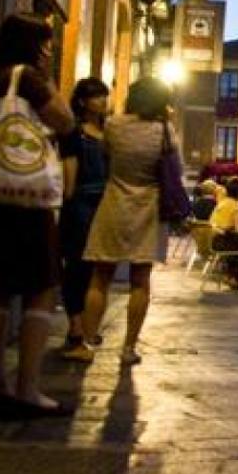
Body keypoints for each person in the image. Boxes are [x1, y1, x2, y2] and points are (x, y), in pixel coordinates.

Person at [0, 14, 76, 418]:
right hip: (29, 200)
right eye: (47, 41)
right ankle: (28, 388)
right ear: (34, 44)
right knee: (42, 287)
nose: (51, 48)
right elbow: (65, 119)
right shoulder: (30, 79)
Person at [76, 77, 179, 367]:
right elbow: (174, 169)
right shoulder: (165, 131)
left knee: (100, 276)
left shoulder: (113, 125)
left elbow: (107, 157)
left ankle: (87, 341)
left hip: (114, 202)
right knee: (140, 281)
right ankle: (128, 347)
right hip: (148, 207)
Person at [58, 78, 111, 361]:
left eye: (105, 96)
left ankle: (87, 326)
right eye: (97, 96)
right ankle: (75, 325)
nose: (104, 101)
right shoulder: (73, 133)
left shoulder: (109, 132)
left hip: (105, 205)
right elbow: (70, 174)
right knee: (77, 267)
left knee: (97, 270)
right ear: (82, 101)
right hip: (80, 204)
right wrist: (67, 203)